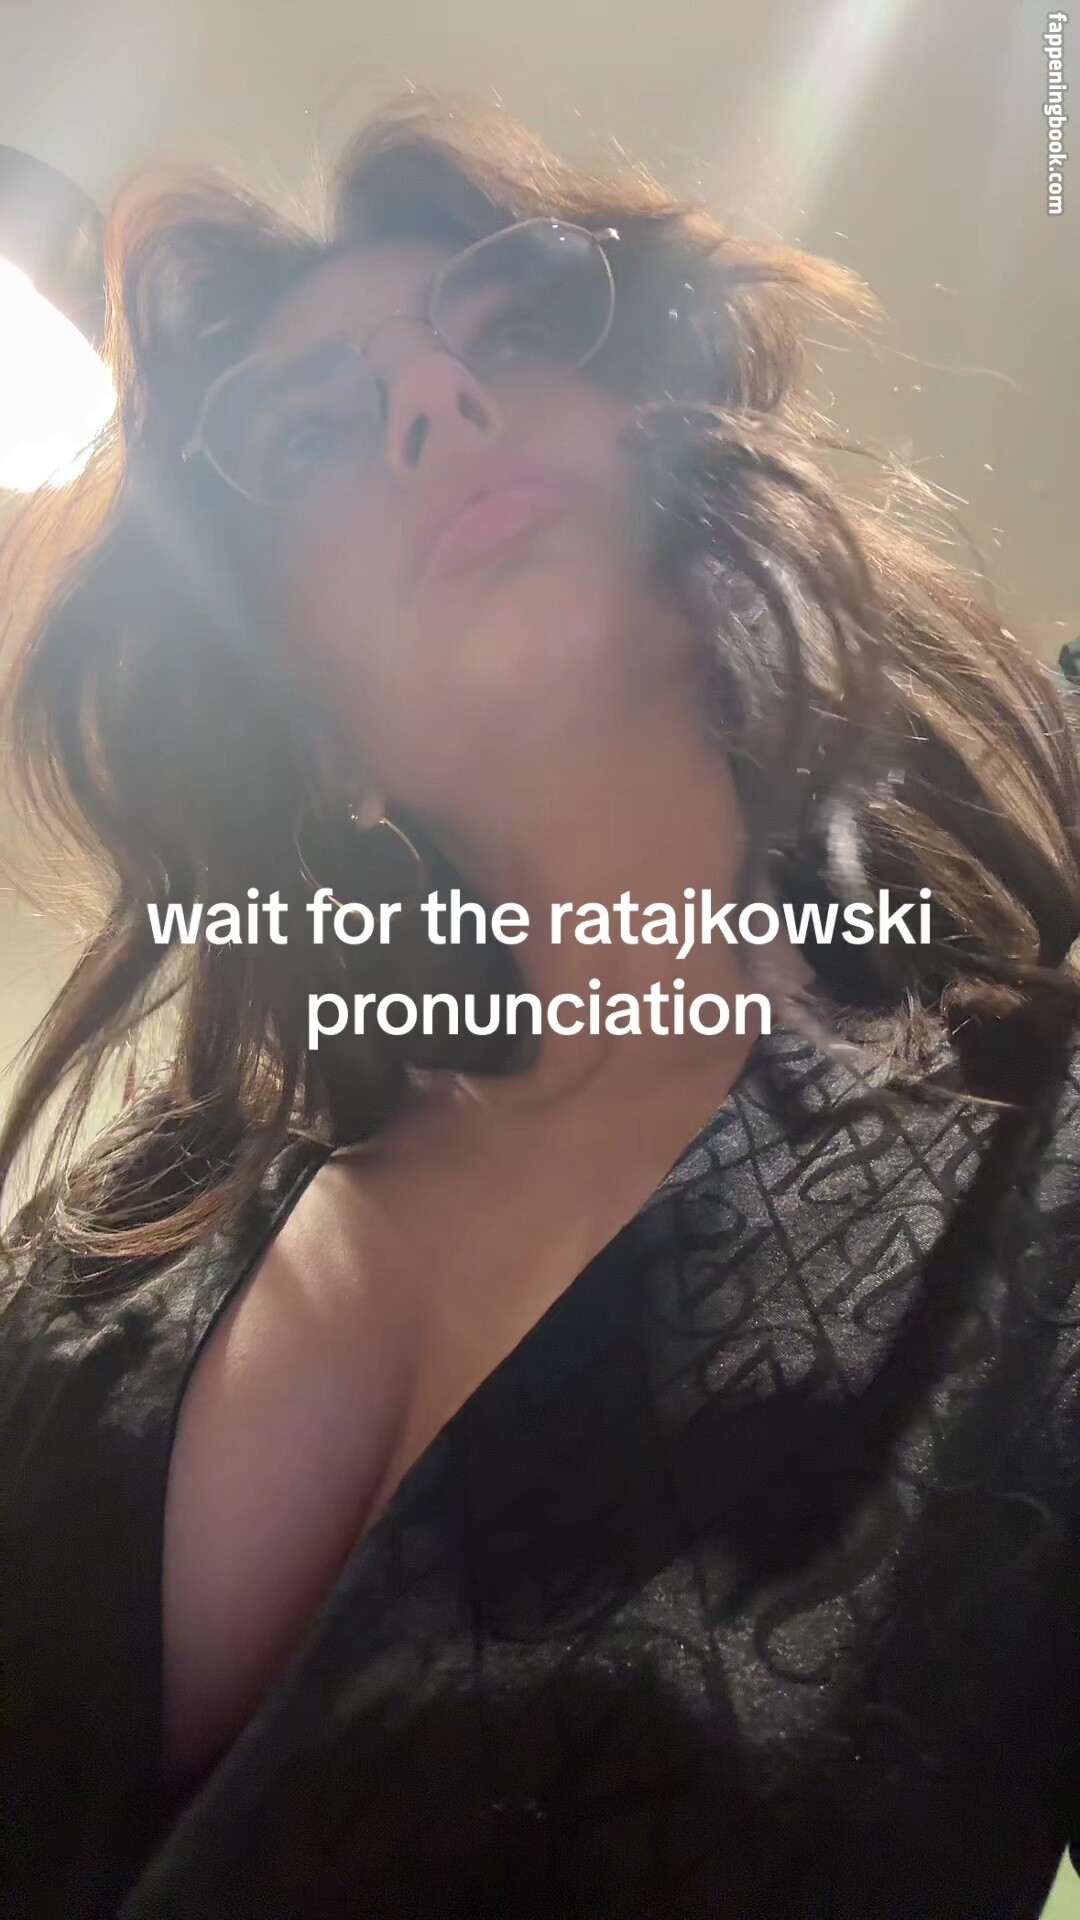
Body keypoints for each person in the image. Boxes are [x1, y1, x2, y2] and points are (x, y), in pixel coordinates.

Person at [3, 88, 1080, 1920]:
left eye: (510, 332)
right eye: (312, 429)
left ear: (700, 479)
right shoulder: (129, 1230)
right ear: (309, 719)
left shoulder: (1035, 1188)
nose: (431, 400)